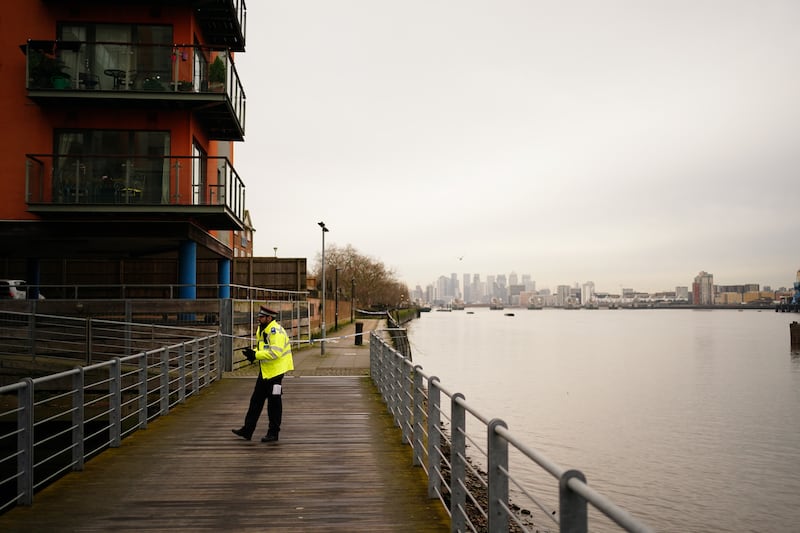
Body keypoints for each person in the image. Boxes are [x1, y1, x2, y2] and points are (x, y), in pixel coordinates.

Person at [232, 305, 294, 443]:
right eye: (259, 316)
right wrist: (253, 353)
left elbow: (275, 352)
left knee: (274, 404)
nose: (259, 319)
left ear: (269, 318)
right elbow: (263, 347)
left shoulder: (275, 331)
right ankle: (247, 430)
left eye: (261, 317)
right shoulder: (262, 329)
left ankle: (273, 433)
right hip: (266, 371)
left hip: (276, 373)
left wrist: (256, 355)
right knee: (256, 401)